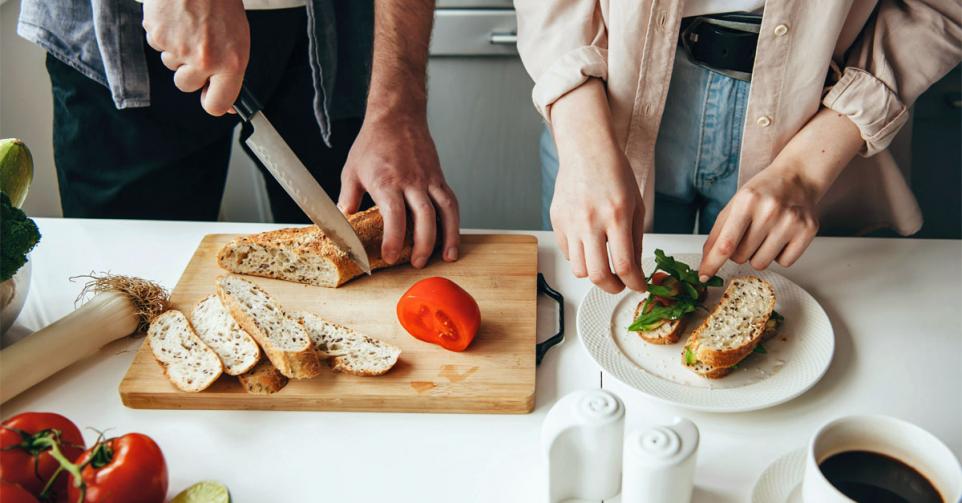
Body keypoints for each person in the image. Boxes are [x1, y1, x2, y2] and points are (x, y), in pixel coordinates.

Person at [517, 1, 961, 293]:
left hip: (818, 112)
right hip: (602, 96)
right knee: (588, 324)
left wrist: (804, 171)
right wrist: (583, 142)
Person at [17, 0, 460, 270]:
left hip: (334, 30)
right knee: (129, 286)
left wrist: (397, 105)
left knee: (371, 253)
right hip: (125, 31)